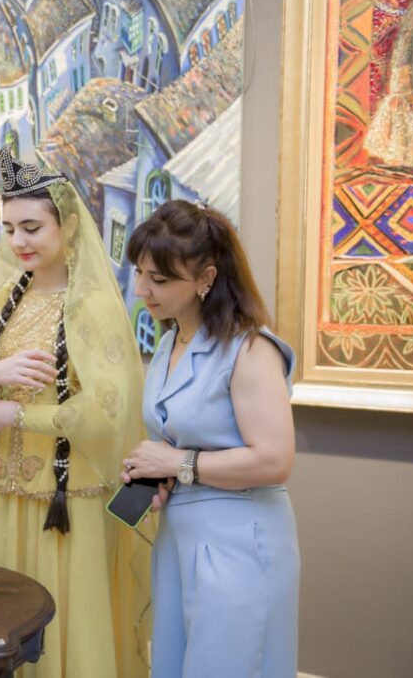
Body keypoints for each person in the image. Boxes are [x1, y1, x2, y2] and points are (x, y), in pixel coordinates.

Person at [0, 146, 152, 678]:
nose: (19, 242)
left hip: (67, 502)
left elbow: (106, 411)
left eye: (32, 227)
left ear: (68, 225)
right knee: (4, 625)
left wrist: (15, 416)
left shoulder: (93, 306)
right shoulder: (3, 299)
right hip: (3, 498)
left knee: (64, 634)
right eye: (9, 229)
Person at [122, 199, 300, 678]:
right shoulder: (170, 342)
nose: (141, 290)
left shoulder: (250, 349)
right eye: (139, 273)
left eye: (159, 280)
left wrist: (176, 463)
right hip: (179, 538)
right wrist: (152, 470)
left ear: (206, 278)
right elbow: (175, 441)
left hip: (238, 541)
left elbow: (275, 461)